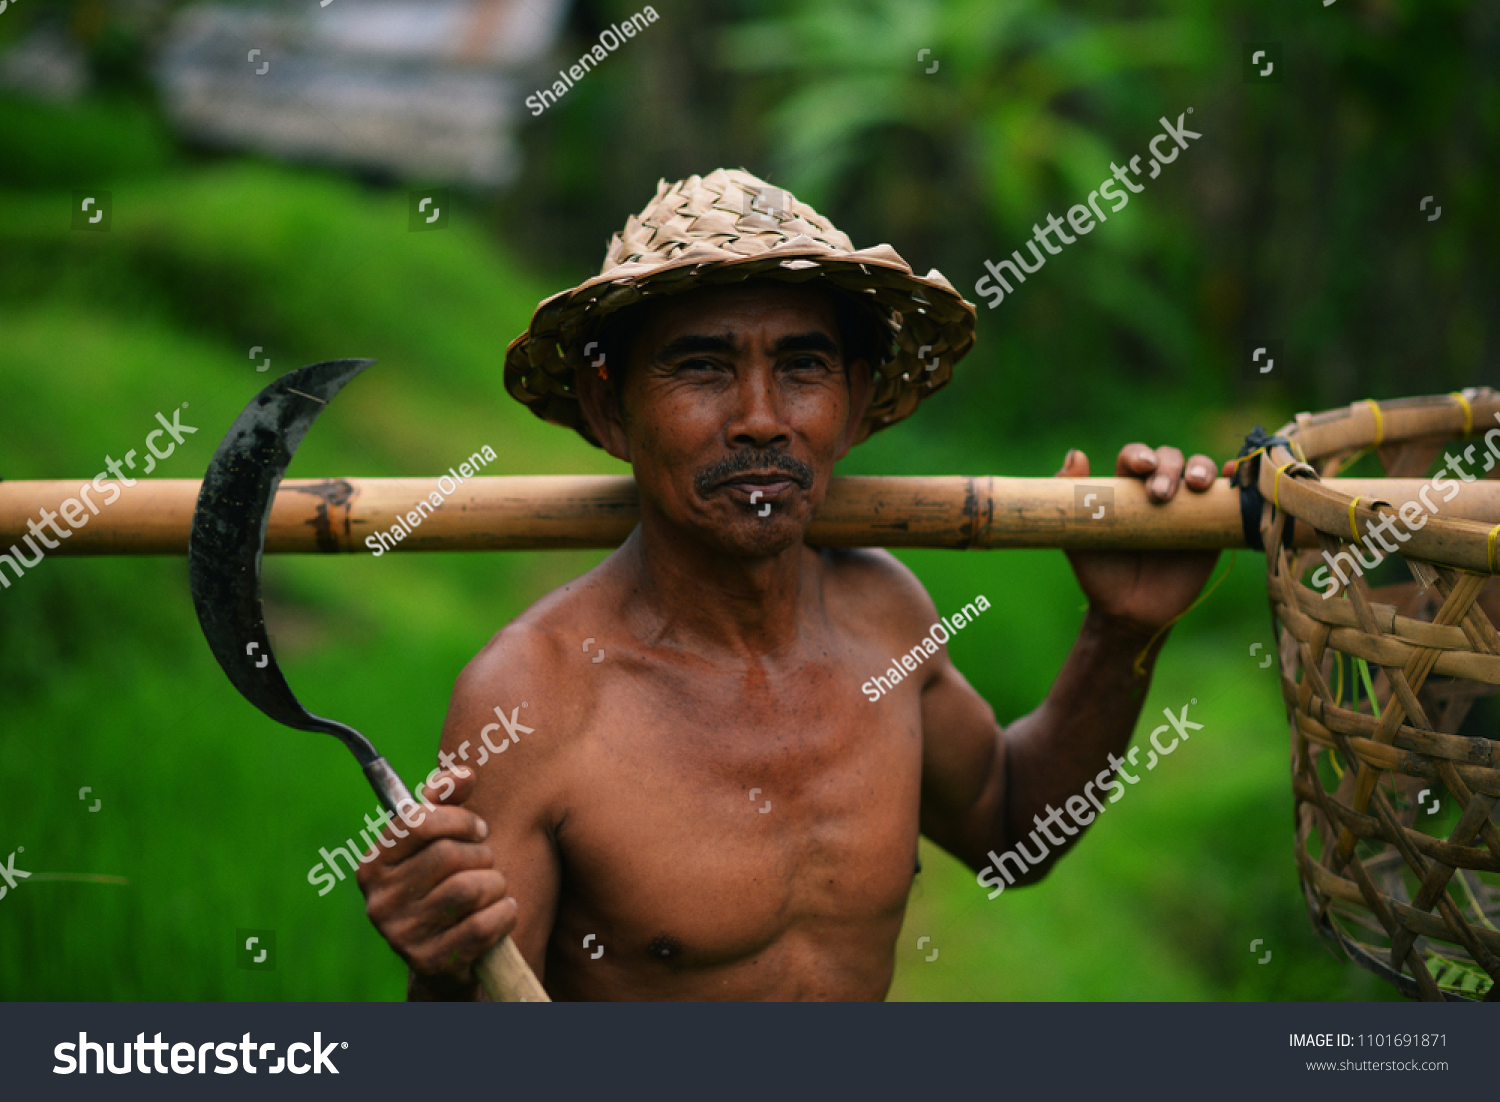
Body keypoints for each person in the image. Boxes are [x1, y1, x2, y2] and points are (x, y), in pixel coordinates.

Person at [356, 168, 1224, 1000]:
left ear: (852, 402)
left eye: (802, 367)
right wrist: (443, 971)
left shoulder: (883, 612)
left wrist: (1121, 631)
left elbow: (1012, 831)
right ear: (606, 407)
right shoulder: (532, 702)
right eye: (702, 366)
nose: (762, 419)